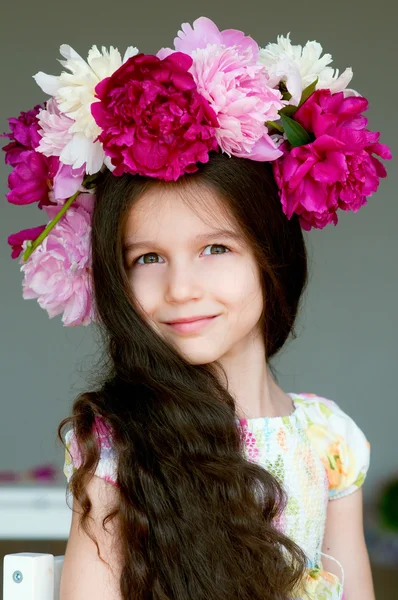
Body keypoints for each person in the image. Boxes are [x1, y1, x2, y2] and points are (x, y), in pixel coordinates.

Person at [3, 16, 391, 600]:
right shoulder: (121, 441)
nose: (181, 288)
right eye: (148, 258)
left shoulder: (330, 441)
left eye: (215, 248)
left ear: (270, 255)